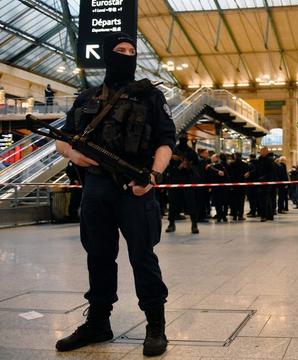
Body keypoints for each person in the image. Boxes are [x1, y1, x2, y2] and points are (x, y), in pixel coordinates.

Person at [54, 32, 174, 357]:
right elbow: (62, 138)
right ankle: (98, 323)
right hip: (95, 187)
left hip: (135, 188)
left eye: (131, 50)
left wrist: (153, 175)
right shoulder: (86, 97)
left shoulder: (150, 97)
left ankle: (156, 325)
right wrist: (73, 155)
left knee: (142, 257)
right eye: (120, 50)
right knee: (98, 256)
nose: (127, 54)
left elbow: (166, 141)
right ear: (108, 56)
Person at [165, 134, 199, 234]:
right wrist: (172, 158)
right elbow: (166, 164)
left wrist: (188, 165)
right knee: (173, 202)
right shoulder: (174, 151)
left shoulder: (191, 152)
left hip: (187, 179)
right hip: (175, 178)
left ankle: (194, 224)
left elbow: (197, 165)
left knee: (191, 202)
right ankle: (171, 223)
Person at [229, 152, 249, 221]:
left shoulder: (231, 164)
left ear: (235, 156)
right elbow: (246, 175)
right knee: (241, 201)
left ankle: (234, 215)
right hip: (242, 185)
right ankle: (240, 215)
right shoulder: (245, 164)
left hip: (234, 185)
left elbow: (230, 175)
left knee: (234, 200)